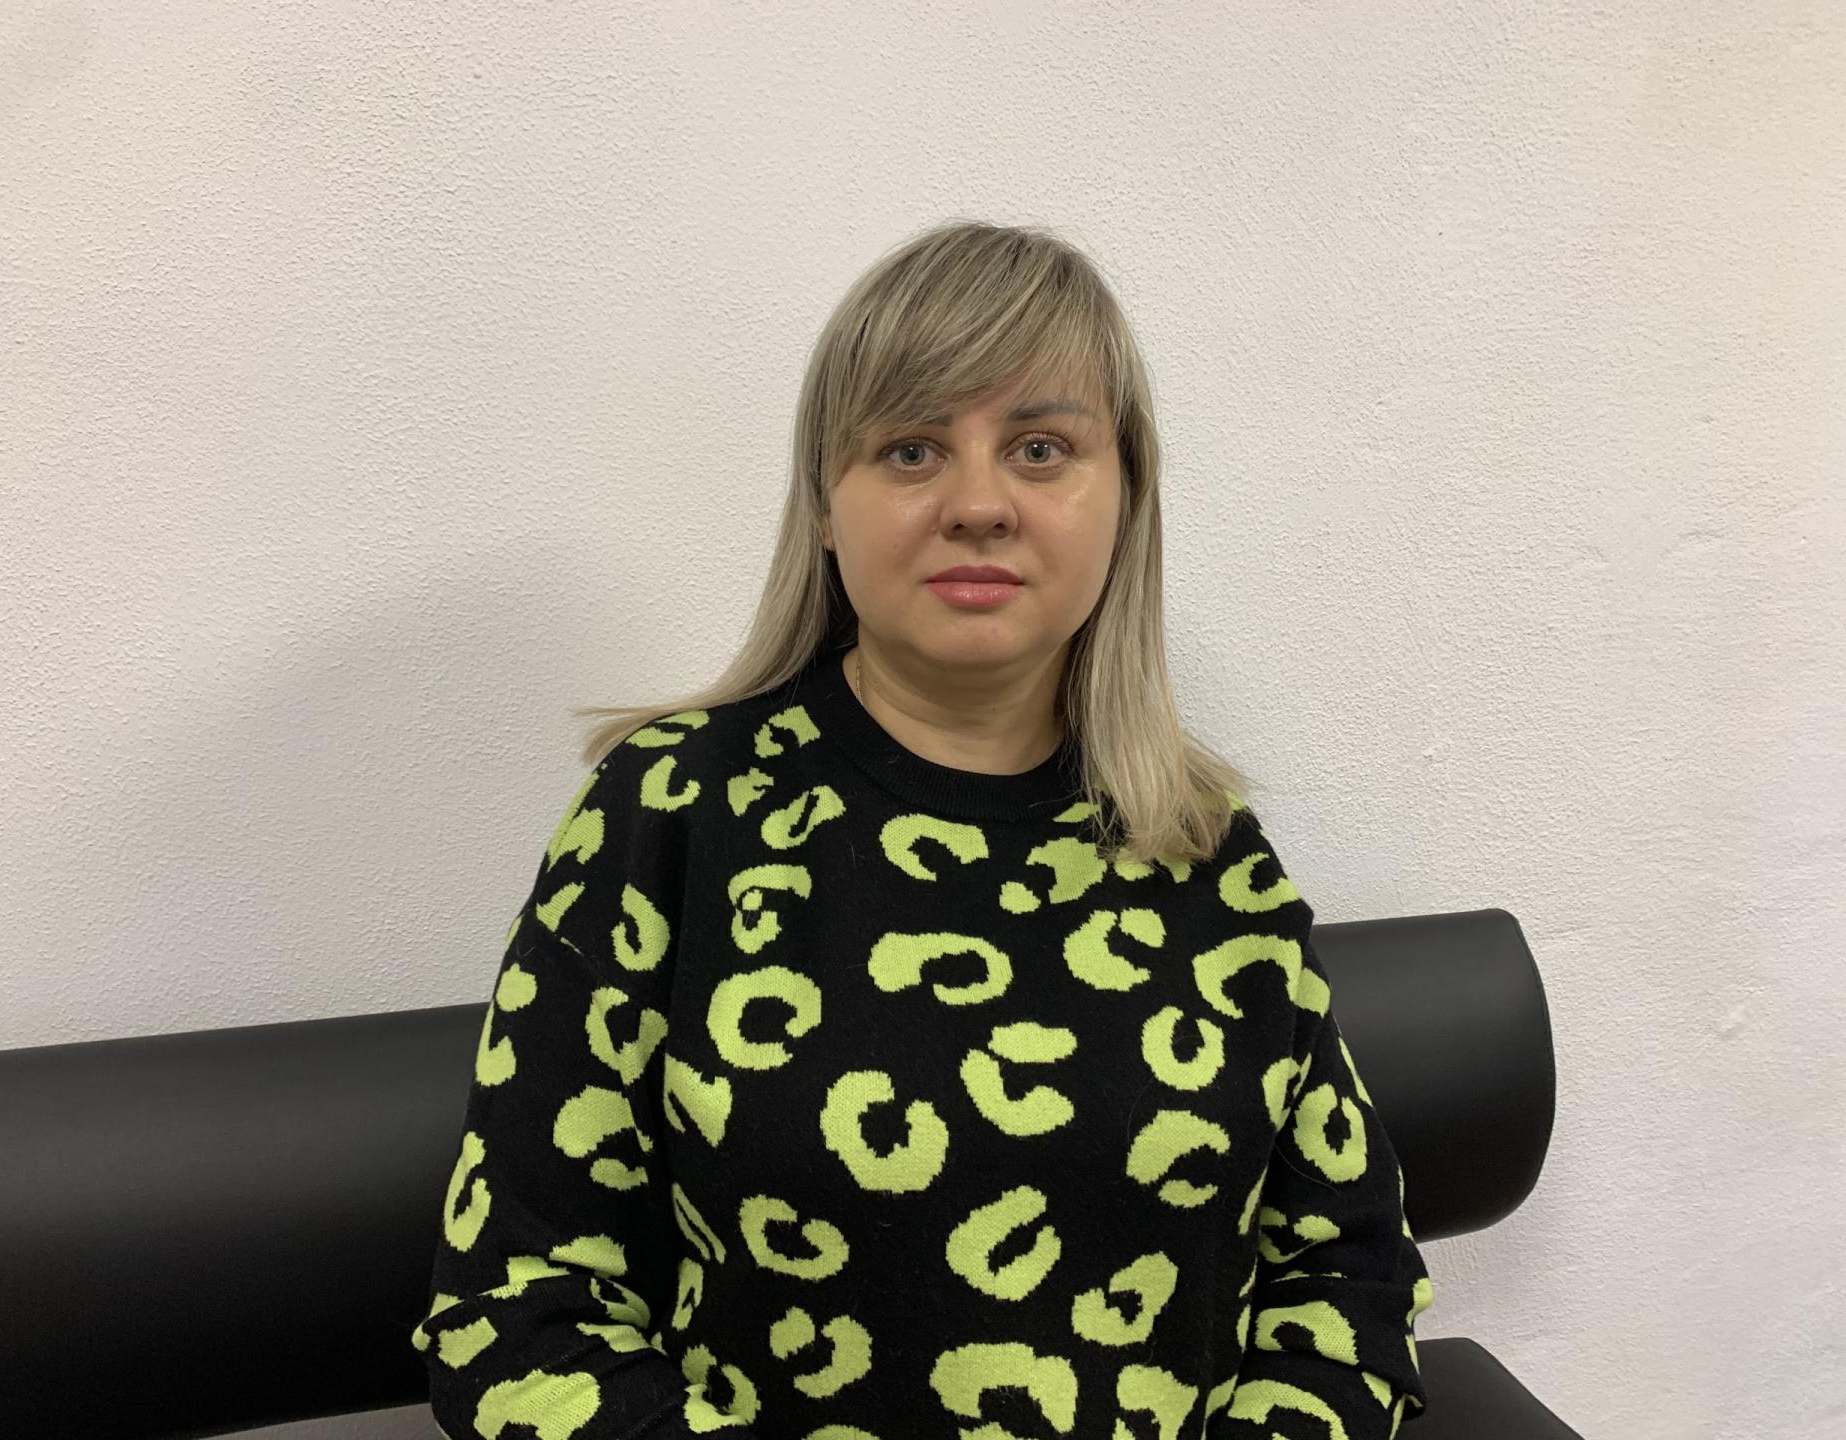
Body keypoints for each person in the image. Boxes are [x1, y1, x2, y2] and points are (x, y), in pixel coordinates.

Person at [411, 219, 1433, 1439]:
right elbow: (516, 1313)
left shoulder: (1206, 850)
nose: (980, 505)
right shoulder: (672, 810)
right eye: (910, 449)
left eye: (1042, 448)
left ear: (1125, 499)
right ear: (825, 506)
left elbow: (1349, 1282)